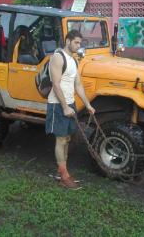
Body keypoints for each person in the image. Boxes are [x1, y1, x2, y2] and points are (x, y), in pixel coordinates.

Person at [46, 30, 95, 190]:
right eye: (76, 42)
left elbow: (78, 85)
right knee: (61, 139)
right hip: (58, 105)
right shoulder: (58, 57)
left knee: (67, 138)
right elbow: (56, 84)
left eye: (80, 43)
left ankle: (61, 172)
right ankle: (64, 176)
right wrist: (65, 106)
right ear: (67, 41)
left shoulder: (73, 60)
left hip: (70, 104)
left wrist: (87, 105)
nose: (79, 46)